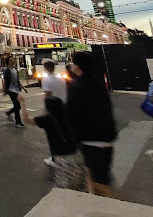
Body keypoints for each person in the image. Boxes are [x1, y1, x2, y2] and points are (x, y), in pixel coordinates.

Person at [67, 52, 117, 198]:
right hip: (106, 136)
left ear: (77, 66)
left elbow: (71, 115)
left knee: (100, 184)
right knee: (93, 178)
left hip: (91, 139)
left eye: (73, 63)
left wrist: (71, 137)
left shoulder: (76, 86)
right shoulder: (98, 83)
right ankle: (94, 202)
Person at [19, 94, 86, 191]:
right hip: (77, 155)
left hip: (62, 160)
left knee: (65, 190)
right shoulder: (68, 115)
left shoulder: (47, 119)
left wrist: (22, 102)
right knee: (80, 188)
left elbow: (26, 119)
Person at [3, 56, 27, 127]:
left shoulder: (15, 70)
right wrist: (4, 90)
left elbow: (17, 80)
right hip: (11, 90)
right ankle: (18, 122)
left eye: (13, 60)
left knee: (17, 106)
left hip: (16, 90)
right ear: (8, 62)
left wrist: (23, 87)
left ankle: (9, 112)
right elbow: (5, 81)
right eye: (11, 60)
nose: (12, 61)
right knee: (17, 105)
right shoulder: (6, 70)